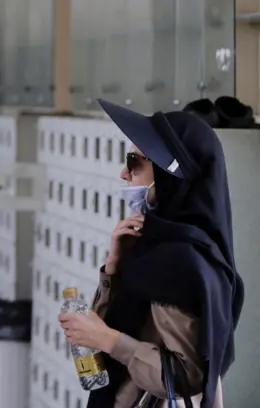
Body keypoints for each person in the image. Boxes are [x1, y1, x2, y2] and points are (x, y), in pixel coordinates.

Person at [58, 99, 244, 408]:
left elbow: (188, 377)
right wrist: (113, 268)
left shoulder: (181, 262)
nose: (123, 173)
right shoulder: (155, 245)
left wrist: (108, 339)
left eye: (134, 162)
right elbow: (103, 345)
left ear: (170, 176)